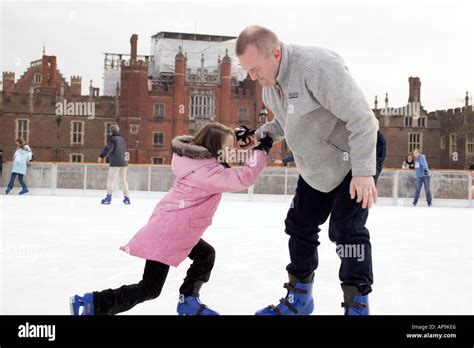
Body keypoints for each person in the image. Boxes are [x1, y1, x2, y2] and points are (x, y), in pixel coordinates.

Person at [236, 26, 386, 315]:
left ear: (275, 53)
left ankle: (357, 304)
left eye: (255, 69)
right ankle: (299, 298)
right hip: (317, 162)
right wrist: (259, 136)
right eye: (247, 71)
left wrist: (363, 172)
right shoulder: (270, 87)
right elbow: (286, 123)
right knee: (299, 224)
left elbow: (363, 120)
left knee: (346, 229)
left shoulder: (318, 67)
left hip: (355, 155)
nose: (253, 78)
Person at [70, 122, 273, 316]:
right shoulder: (208, 171)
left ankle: (188, 301)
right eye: (228, 147)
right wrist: (260, 151)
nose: (232, 151)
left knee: (205, 255)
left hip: (173, 227)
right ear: (214, 148)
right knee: (150, 288)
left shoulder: (198, 161)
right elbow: (242, 178)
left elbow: (221, 146)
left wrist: (244, 139)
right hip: (171, 232)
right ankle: (92, 303)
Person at [98, 125, 131, 205]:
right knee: (123, 180)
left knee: (111, 180)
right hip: (124, 163)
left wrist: (101, 156)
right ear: (118, 130)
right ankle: (127, 198)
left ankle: (108, 197)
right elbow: (126, 150)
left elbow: (108, 148)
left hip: (115, 163)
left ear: (111, 131)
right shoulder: (122, 139)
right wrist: (126, 161)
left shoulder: (112, 139)